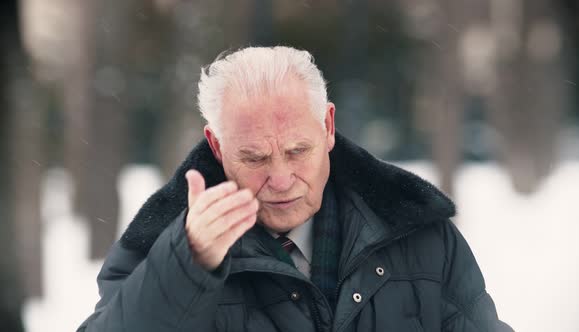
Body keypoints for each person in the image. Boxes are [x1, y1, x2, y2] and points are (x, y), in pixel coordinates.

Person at [78, 46, 513, 331]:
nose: (282, 179)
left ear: (327, 127)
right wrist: (188, 265)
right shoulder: (159, 246)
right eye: (255, 158)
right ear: (216, 146)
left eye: (297, 150)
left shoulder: (420, 234)